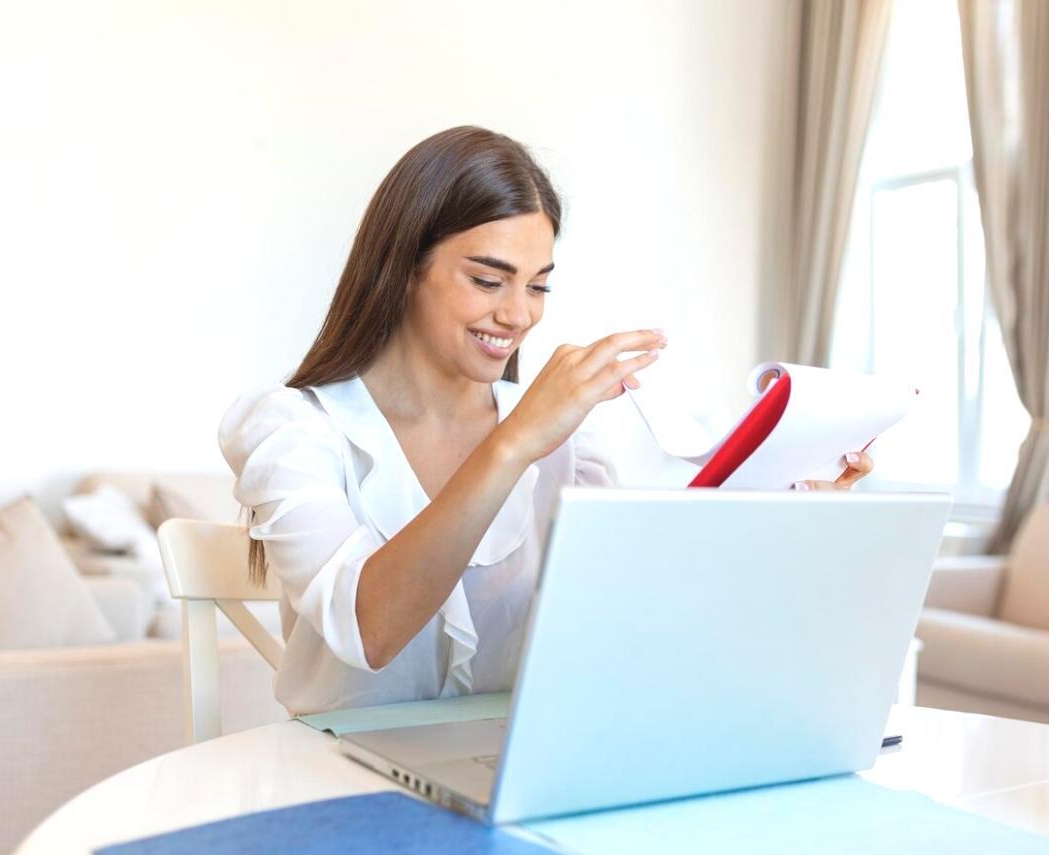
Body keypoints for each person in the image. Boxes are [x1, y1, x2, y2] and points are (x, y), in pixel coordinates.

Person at [219, 126, 873, 715]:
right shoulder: (294, 429)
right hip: (336, 790)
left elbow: (635, 619)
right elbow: (370, 629)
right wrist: (515, 442)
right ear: (405, 267)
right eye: (488, 279)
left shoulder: (569, 441)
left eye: (538, 286)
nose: (519, 315)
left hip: (506, 776)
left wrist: (789, 511)